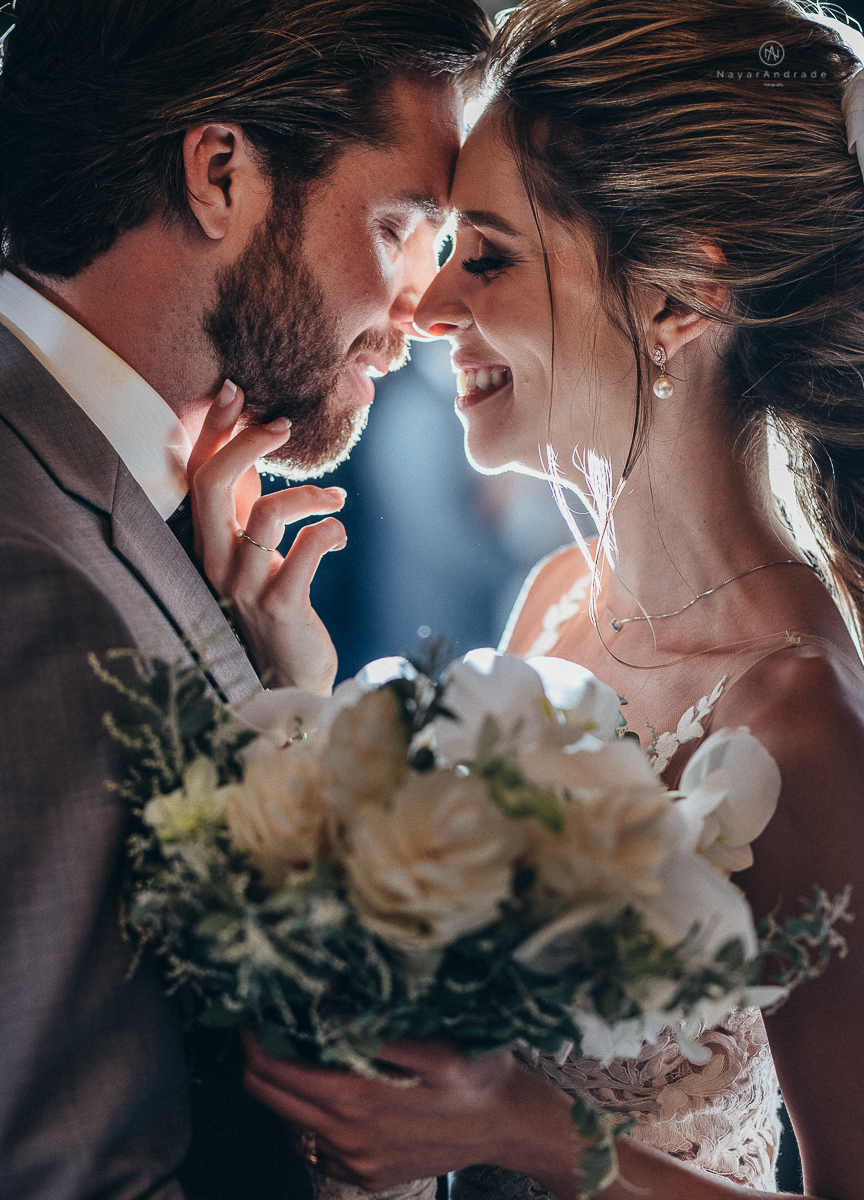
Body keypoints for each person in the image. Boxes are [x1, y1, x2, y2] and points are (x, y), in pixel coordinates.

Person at [208, 1, 864, 1197]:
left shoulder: (805, 724)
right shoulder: (565, 597)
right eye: (444, 244)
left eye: (490, 256)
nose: (427, 307)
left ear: (676, 303)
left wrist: (525, 1133)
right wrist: (288, 692)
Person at [0, 1, 491, 1197]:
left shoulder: (111, 508)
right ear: (221, 173)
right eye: (402, 227)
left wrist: (277, 698)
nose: (422, 314)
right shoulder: (37, 575)